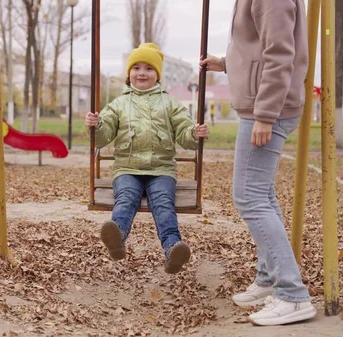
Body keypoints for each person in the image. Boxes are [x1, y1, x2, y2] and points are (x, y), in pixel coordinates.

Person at [200, 0, 316, 326]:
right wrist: (227, 63)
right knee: (261, 194)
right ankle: (268, 280)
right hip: (262, 105)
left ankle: (292, 295)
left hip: (266, 110)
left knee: (249, 197)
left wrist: (265, 114)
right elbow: (257, 46)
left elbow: (279, 55)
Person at [86, 42, 209, 274]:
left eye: (149, 68)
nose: (142, 72)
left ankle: (173, 249)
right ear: (129, 73)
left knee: (163, 204)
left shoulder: (170, 103)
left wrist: (194, 133)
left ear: (158, 75)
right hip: (127, 168)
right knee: (125, 198)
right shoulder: (118, 104)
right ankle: (117, 238)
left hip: (161, 169)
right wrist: (96, 125)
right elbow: (103, 137)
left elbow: (184, 133)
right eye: (136, 68)